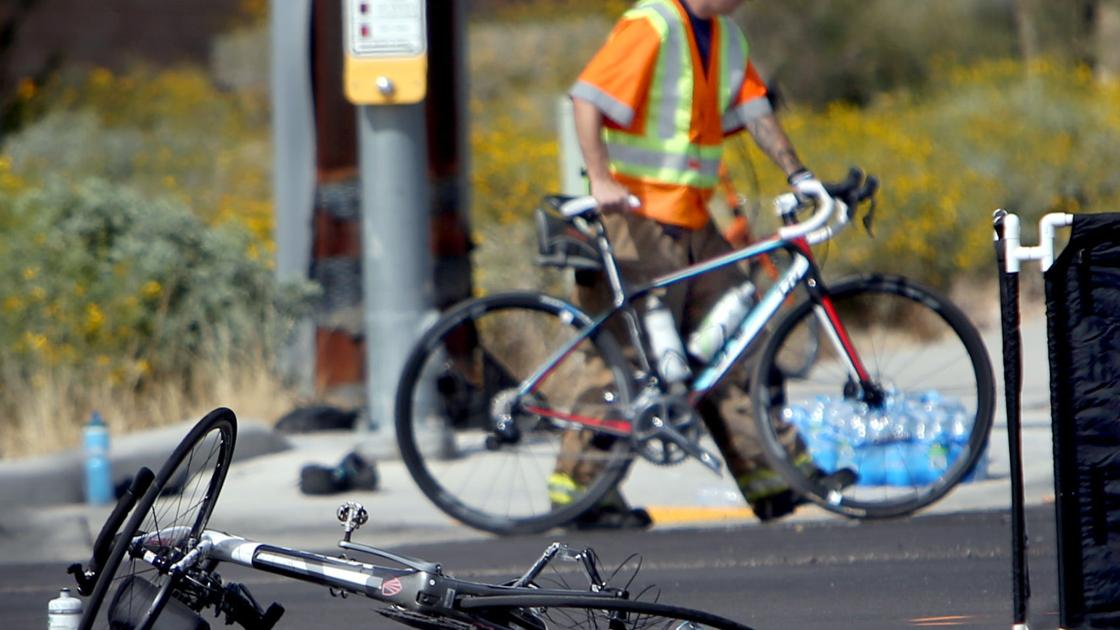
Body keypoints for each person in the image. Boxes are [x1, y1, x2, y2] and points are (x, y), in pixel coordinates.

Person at [549, 0, 840, 527]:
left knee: (734, 338)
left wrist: (800, 176)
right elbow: (587, 98)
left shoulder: (725, 37)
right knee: (629, 362)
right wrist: (600, 178)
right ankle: (581, 492)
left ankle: (769, 477)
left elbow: (755, 110)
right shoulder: (652, 25)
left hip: (690, 215)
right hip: (636, 216)